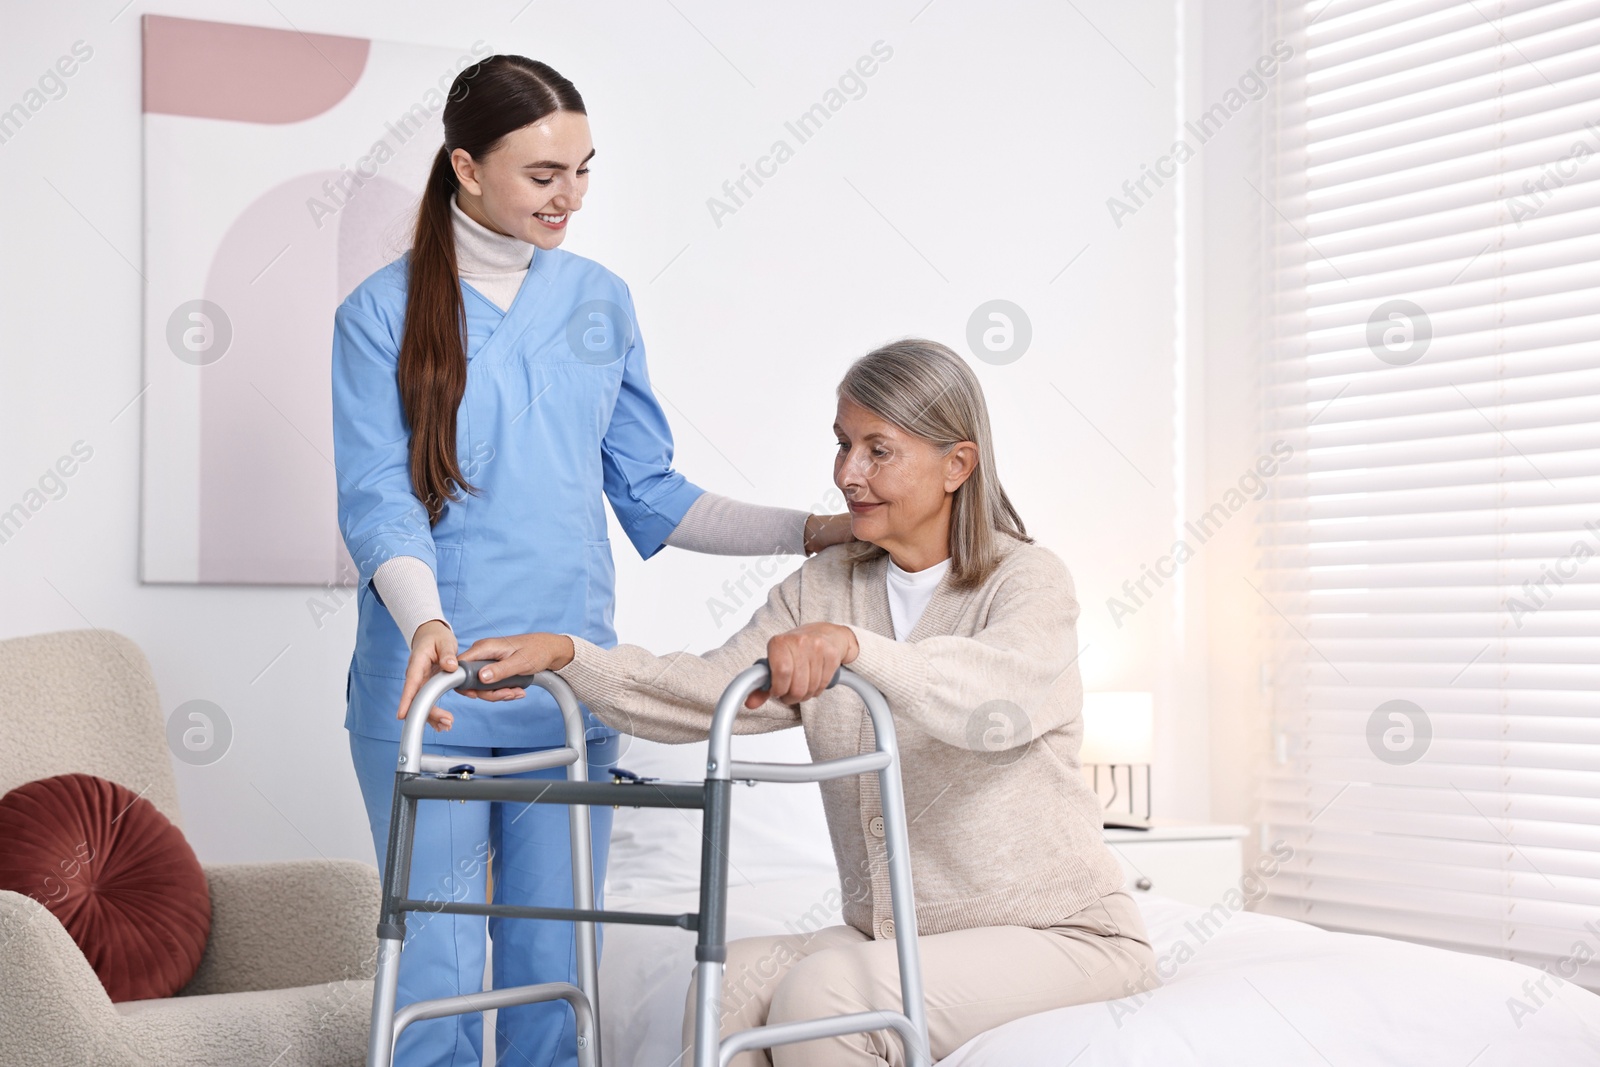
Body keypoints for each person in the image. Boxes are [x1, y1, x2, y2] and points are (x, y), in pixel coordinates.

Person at [332, 55, 851, 1067]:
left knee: (550, 980)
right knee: (432, 987)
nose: (568, 196)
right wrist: (428, 622)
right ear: (465, 167)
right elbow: (377, 498)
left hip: (568, 698)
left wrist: (813, 528)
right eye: (542, 174)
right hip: (431, 695)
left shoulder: (598, 302)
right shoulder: (379, 313)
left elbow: (652, 493)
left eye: (582, 170)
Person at [441, 338, 1159, 1066]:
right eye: (844, 445)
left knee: (824, 999)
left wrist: (854, 647)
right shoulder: (826, 583)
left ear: (958, 464)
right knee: (724, 988)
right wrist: (571, 654)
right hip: (897, 934)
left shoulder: (1027, 579)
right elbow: (709, 691)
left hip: (1060, 933)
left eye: (879, 450)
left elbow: (992, 696)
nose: (849, 474)